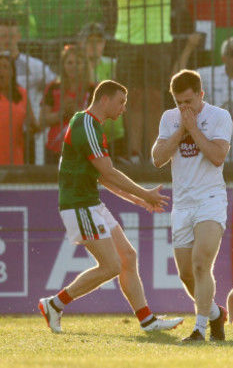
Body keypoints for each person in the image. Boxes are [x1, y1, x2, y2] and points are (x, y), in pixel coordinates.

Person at [38, 80, 182, 334]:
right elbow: (108, 171)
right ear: (104, 100)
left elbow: (103, 177)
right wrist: (145, 194)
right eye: (121, 102)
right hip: (79, 205)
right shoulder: (86, 124)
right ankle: (55, 304)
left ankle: (147, 321)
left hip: (90, 202)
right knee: (112, 266)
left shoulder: (91, 126)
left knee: (127, 257)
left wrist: (137, 200)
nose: (124, 108)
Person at [92, 0, 202, 163]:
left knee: (154, 96)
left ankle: (155, 151)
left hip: (158, 41)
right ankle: (134, 153)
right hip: (127, 41)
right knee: (132, 97)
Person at [152, 70, 233, 342]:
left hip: (210, 200)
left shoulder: (219, 117)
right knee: (187, 274)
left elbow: (217, 156)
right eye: (178, 103)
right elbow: (158, 158)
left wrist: (194, 129)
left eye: (189, 101)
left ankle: (199, 330)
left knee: (201, 265)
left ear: (201, 95)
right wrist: (181, 130)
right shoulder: (169, 119)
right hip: (183, 204)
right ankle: (214, 314)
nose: (184, 108)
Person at [180, 35, 233, 162]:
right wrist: (189, 47)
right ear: (224, 58)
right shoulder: (209, 74)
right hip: (214, 153)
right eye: (232, 54)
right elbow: (179, 79)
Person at [0, 16, 57, 164]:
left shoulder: (33, 65)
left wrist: (45, 109)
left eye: (11, 36)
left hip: (26, 134)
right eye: (3, 36)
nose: (8, 40)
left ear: (18, 37)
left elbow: (55, 85)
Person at [40, 45, 95, 165]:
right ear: (63, 65)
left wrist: (77, 112)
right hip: (55, 150)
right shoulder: (53, 87)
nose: (73, 67)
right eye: (69, 63)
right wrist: (63, 113)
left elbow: (98, 122)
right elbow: (42, 120)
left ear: (84, 65)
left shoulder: (92, 89)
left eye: (78, 63)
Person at [78, 23, 125, 159]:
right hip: (86, 135)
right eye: (89, 41)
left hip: (114, 135)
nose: (94, 46)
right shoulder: (75, 66)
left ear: (104, 43)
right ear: (82, 43)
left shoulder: (114, 65)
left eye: (98, 41)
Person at [0, 53, 39, 165]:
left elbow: (34, 124)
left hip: (15, 158)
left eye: (5, 67)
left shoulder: (22, 94)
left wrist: (31, 127)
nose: (1, 70)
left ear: (12, 72)